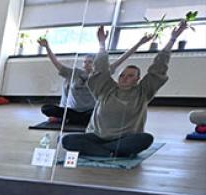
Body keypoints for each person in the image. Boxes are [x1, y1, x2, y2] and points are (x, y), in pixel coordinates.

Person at [62, 21, 188, 158]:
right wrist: (102, 44)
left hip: (125, 139)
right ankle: (109, 151)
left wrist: (172, 39)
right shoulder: (106, 88)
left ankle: (99, 151)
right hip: (97, 137)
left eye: (130, 76)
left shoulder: (143, 92)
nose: (124, 78)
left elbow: (158, 68)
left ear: (137, 79)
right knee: (66, 140)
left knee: (146, 139)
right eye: (122, 75)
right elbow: (100, 69)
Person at [37, 34, 150, 127]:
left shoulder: (101, 73)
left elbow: (123, 58)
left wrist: (140, 43)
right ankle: (72, 119)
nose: (87, 64)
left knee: (104, 114)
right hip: (73, 111)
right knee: (46, 108)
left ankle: (71, 120)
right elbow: (56, 63)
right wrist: (47, 47)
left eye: (90, 62)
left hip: (91, 112)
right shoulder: (75, 73)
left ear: (95, 63)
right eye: (85, 62)